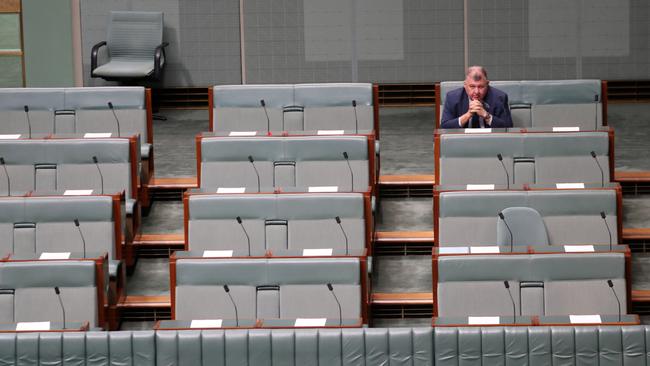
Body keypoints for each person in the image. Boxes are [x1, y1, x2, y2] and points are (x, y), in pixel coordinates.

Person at [440, 66, 513, 129]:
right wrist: (468, 115)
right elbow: (444, 127)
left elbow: (508, 127)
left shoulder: (499, 97)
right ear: (465, 85)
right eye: (472, 86)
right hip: (462, 140)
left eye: (481, 87)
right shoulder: (452, 97)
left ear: (487, 84)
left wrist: (487, 116)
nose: (476, 92)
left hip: (491, 139)